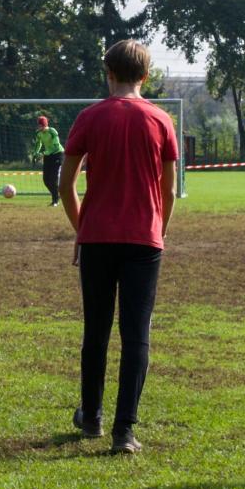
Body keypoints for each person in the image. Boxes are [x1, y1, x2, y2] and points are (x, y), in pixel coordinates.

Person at [60, 40, 180, 452]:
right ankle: (124, 431)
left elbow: (66, 184)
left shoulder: (89, 117)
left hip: (97, 238)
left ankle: (91, 417)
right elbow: (169, 189)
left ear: (107, 72)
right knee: (136, 334)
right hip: (143, 240)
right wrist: (157, 231)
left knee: (96, 330)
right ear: (145, 76)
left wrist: (83, 227)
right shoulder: (161, 120)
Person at [33, 113, 65, 206]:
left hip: (57, 154)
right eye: (38, 124)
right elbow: (38, 144)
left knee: (53, 178)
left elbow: (55, 147)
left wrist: (43, 154)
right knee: (46, 180)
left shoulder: (52, 131)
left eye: (41, 125)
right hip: (48, 155)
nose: (39, 126)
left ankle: (55, 200)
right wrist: (35, 154)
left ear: (45, 124)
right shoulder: (38, 133)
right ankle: (57, 195)